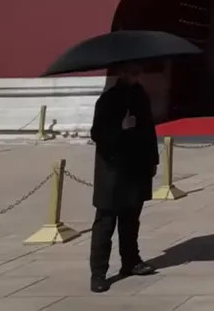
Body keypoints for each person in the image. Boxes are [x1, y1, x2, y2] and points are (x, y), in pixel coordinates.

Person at [89, 62, 160, 293]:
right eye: (132, 72)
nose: (136, 76)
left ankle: (130, 261)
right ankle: (98, 273)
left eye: (138, 72)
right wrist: (120, 127)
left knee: (131, 219)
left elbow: (149, 130)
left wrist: (153, 160)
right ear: (122, 73)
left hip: (135, 168)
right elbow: (97, 133)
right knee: (106, 223)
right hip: (112, 171)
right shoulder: (108, 100)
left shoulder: (140, 96)